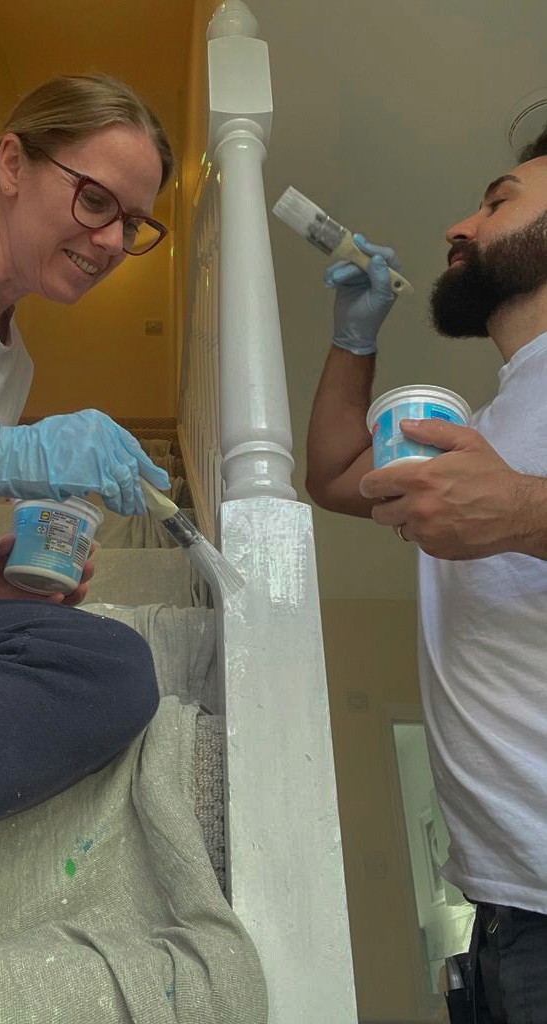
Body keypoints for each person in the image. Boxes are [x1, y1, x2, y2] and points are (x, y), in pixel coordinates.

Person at [0, 73, 175, 974]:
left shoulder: (12, 372)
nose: (111, 240)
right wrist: (8, 459)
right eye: (95, 199)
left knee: (110, 665)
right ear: (12, 161)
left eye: (132, 222)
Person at [306, 130, 547, 1022]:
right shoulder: (488, 419)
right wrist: (351, 338)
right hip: (501, 914)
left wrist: (524, 509)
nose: (460, 223)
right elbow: (335, 478)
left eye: (496, 200)